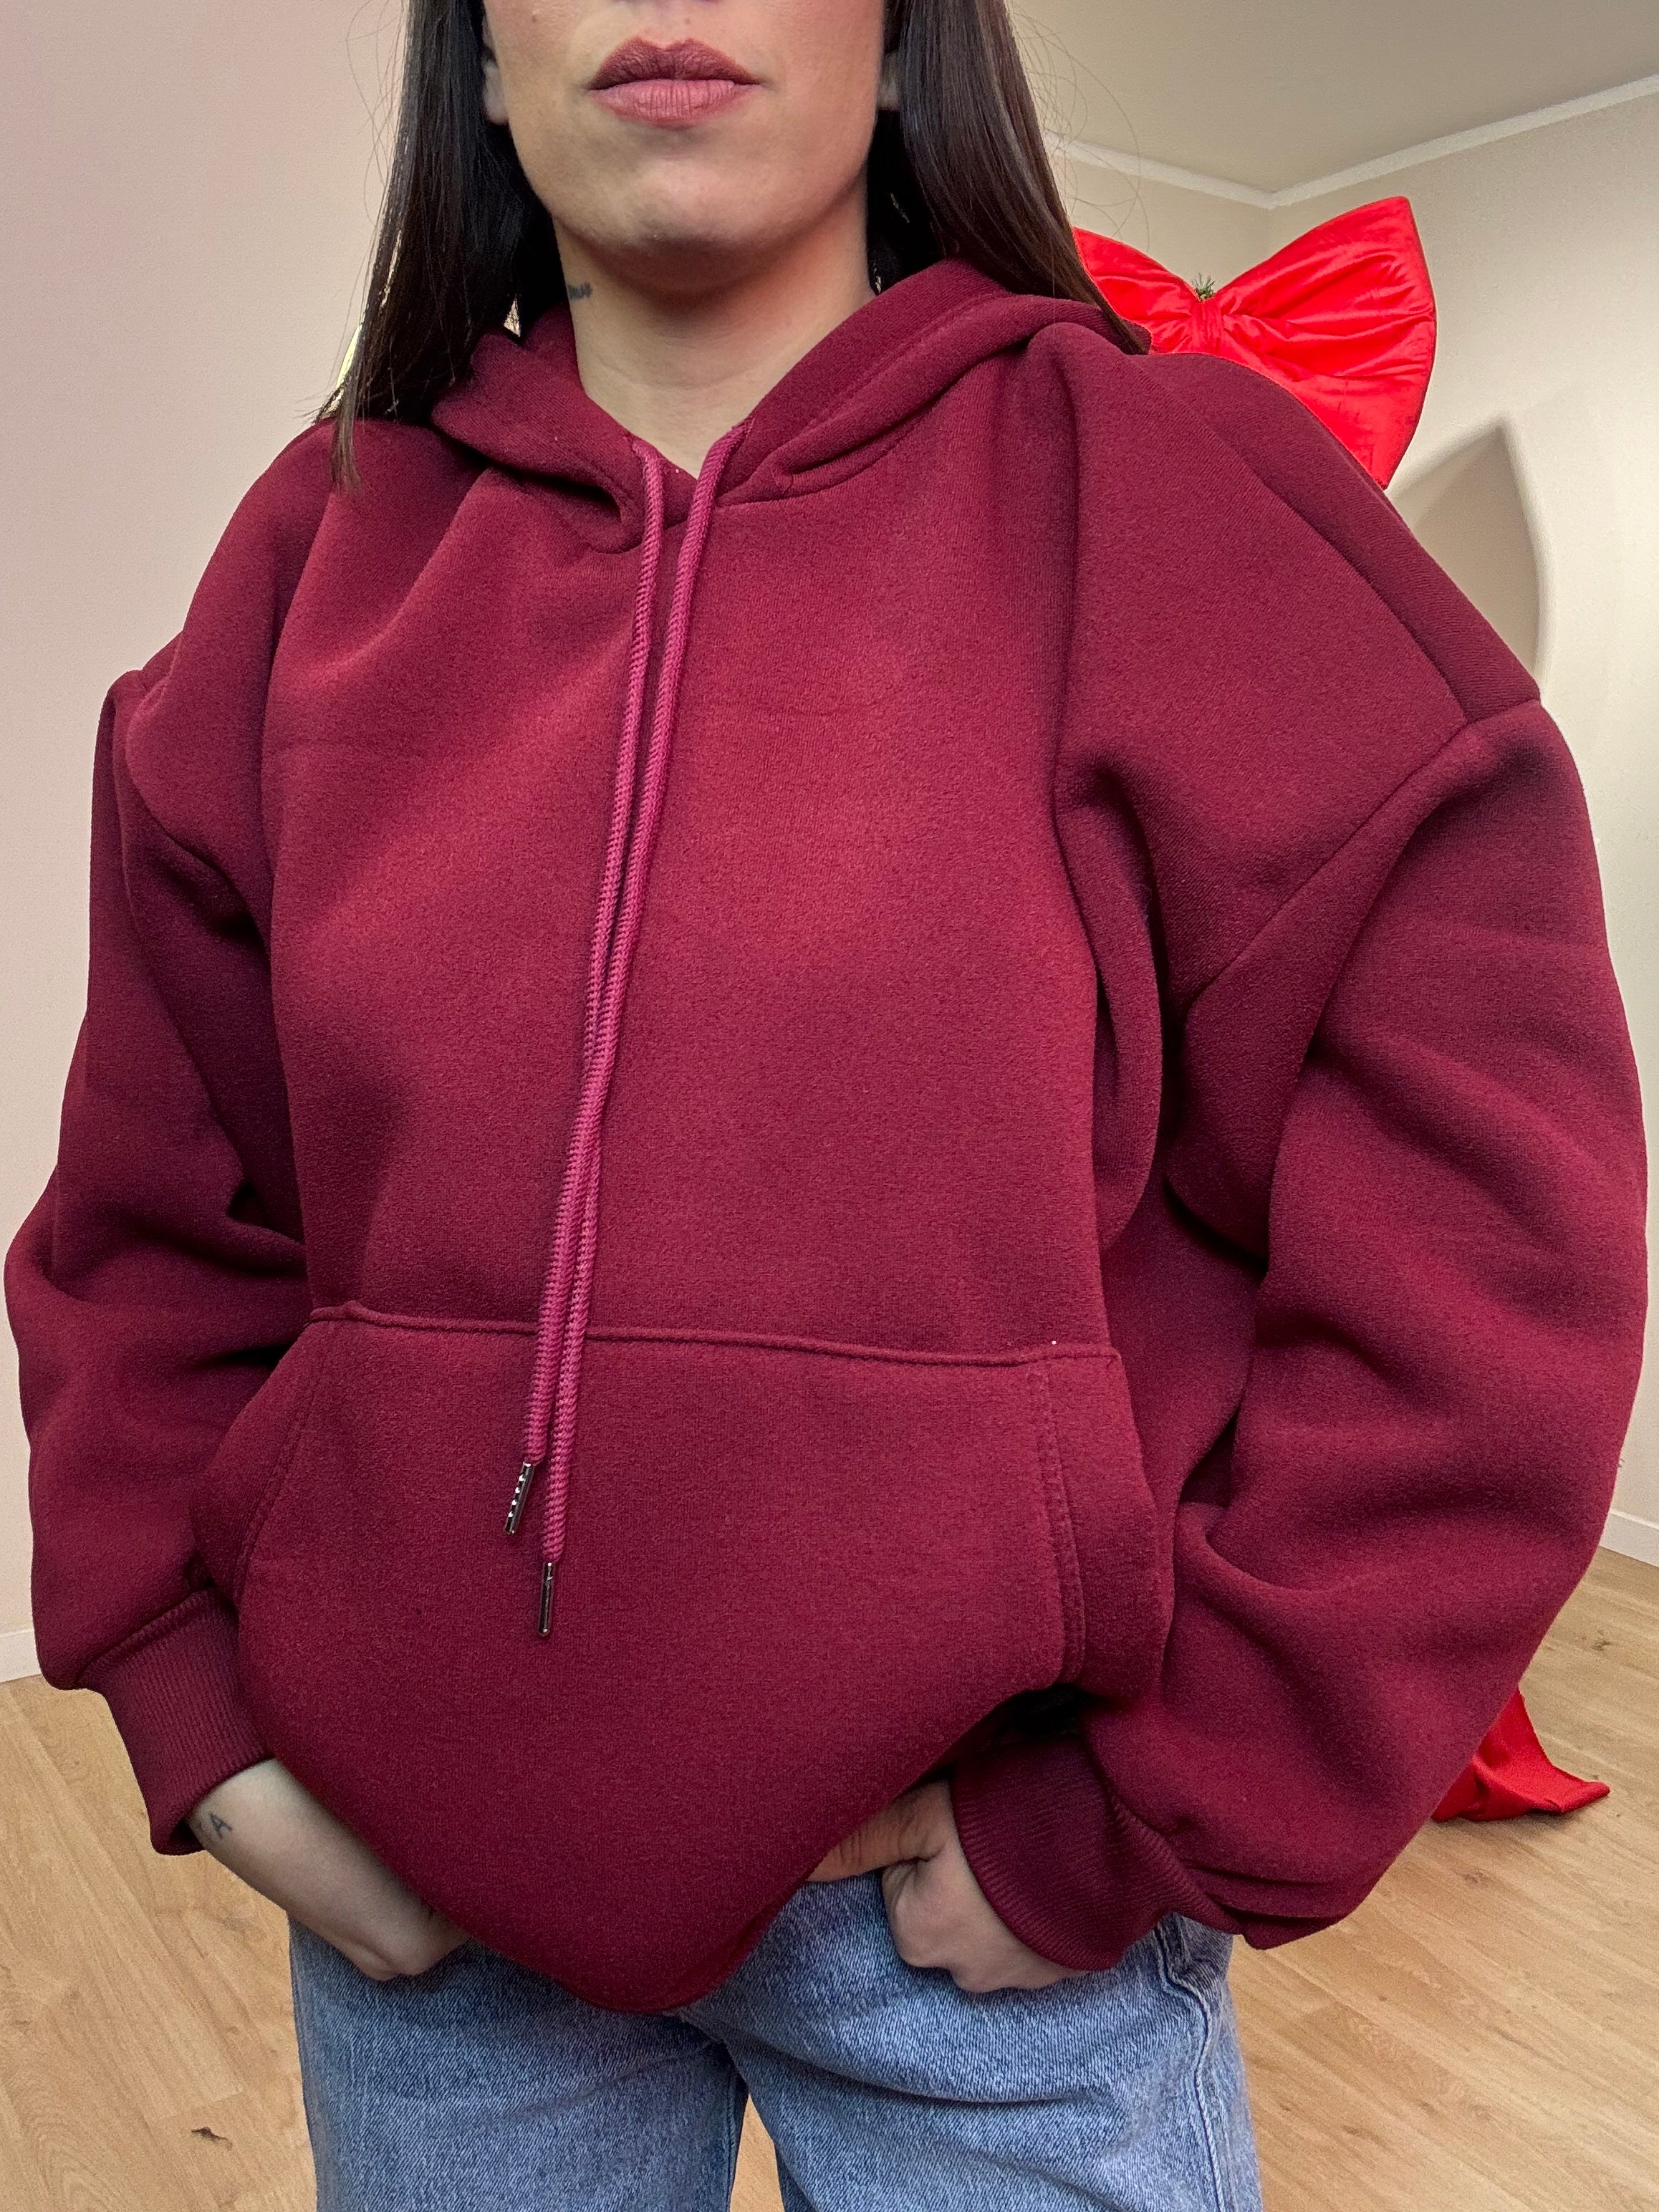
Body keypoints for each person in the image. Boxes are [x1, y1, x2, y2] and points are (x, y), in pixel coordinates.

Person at [6, 0, 1647, 2206]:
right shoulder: (315, 555)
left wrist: (1154, 1809)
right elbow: (150, 1225)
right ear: (475, 57)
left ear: (903, 40)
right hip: (428, 1925)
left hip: (989, 1948)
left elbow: (1485, 1255)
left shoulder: (1189, 503)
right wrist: (204, 1722)